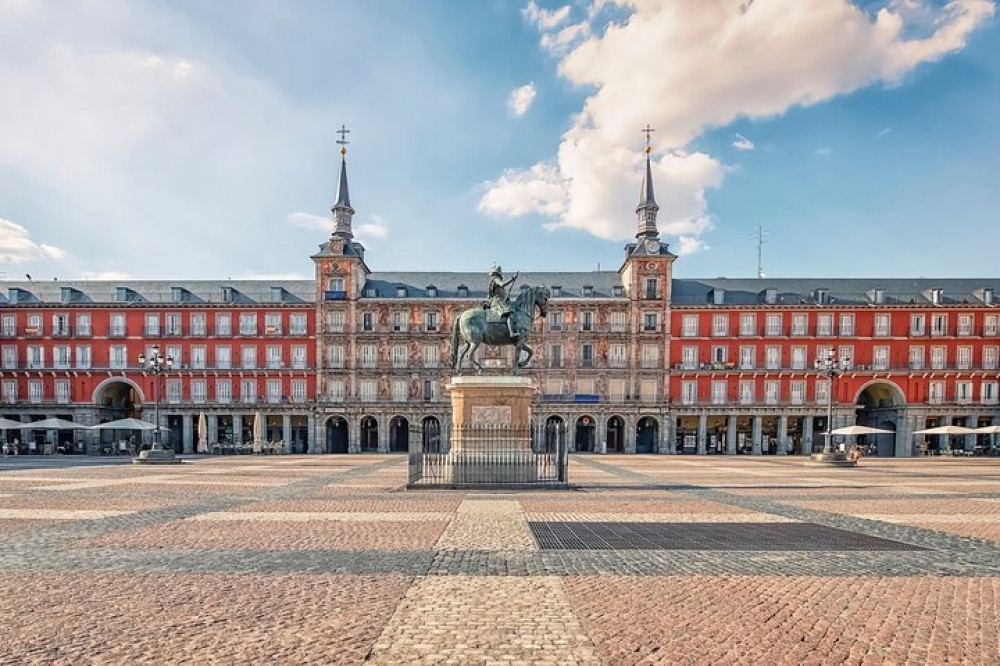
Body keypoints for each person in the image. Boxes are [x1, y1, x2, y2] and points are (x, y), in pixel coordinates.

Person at [486, 265, 519, 337]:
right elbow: (503, 284)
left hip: (498, 301)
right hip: (497, 302)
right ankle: (511, 332)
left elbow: (502, 294)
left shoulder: (495, 282)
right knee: (510, 314)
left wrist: (506, 298)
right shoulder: (496, 279)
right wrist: (512, 279)